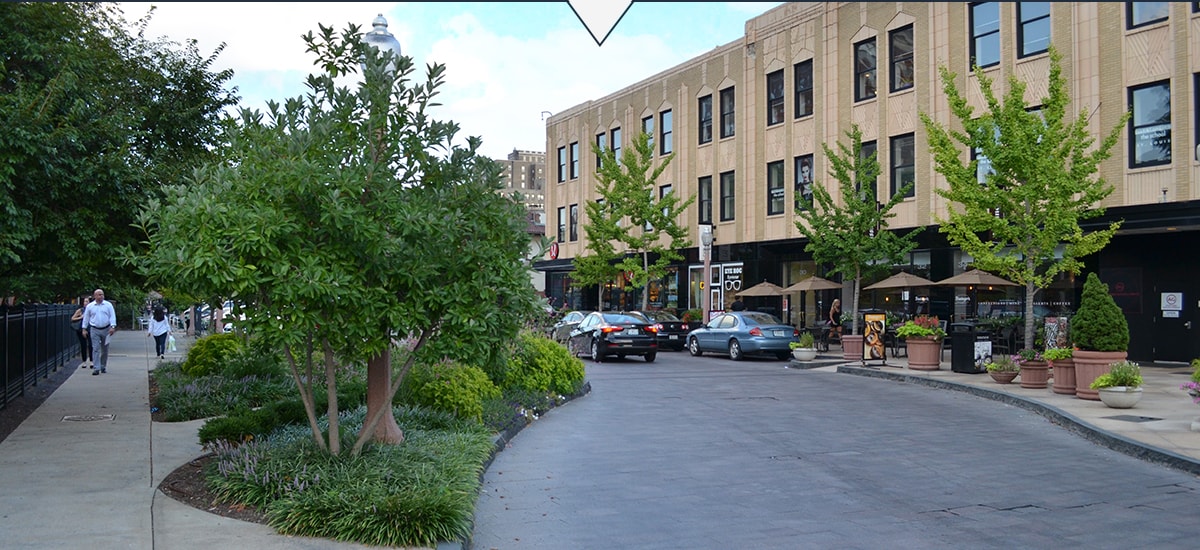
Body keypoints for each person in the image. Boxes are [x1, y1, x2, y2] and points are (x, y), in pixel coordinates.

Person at [81, 288, 117, 375]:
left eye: (102, 294)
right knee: (95, 348)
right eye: (99, 295)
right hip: (94, 329)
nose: (101, 296)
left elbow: (112, 315)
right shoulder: (90, 306)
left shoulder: (108, 305)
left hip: (106, 329)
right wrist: (84, 328)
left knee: (105, 349)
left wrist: (113, 326)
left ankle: (103, 366)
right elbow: (86, 318)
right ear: (95, 296)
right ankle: (96, 368)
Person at [70, 297, 93, 368]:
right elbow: (72, 318)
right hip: (81, 329)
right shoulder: (80, 310)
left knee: (91, 345)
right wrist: (81, 317)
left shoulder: (92, 310)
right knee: (83, 345)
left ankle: (92, 361)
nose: (85, 303)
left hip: (90, 329)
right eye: (84, 301)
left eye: (87, 301)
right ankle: (84, 361)